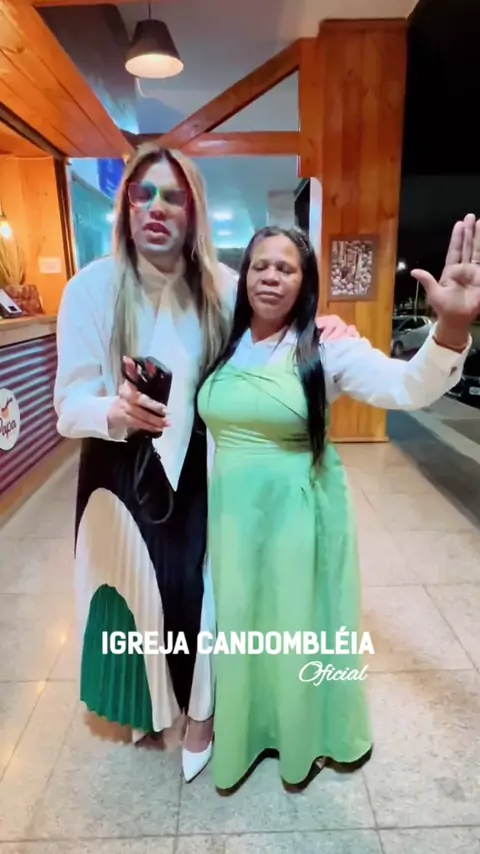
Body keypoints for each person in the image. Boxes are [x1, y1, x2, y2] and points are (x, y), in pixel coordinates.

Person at [53, 142, 357, 782]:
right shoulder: (90, 289)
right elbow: (68, 405)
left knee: (199, 594)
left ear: (193, 209)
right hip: (115, 470)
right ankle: (144, 706)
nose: (156, 208)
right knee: (128, 594)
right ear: (125, 206)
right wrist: (115, 409)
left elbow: (272, 333)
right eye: (143, 194)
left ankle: (203, 711)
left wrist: (325, 328)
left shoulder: (223, 284)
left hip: (201, 466)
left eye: (173, 196)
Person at [196, 216, 478, 791]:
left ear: (305, 282)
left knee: (300, 621)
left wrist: (450, 327)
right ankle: (249, 729)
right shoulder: (224, 341)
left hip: (299, 513)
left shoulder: (326, 347)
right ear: (243, 276)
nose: (269, 277)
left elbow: (406, 386)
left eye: (285, 268)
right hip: (231, 515)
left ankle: (308, 734)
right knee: (245, 621)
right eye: (259, 265)